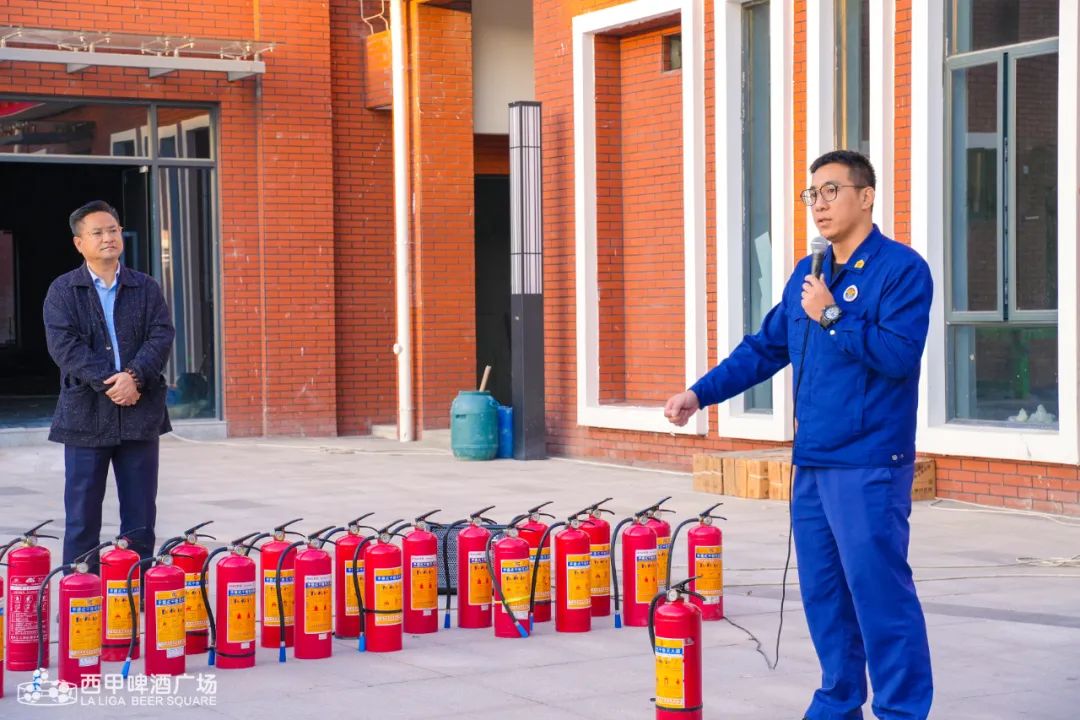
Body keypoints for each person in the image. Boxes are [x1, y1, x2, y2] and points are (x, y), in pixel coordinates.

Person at [664, 150, 934, 720]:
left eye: (832, 190)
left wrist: (832, 316)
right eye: (812, 194)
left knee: (880, 595)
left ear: (866, 196)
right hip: (813, 463)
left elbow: (898, 356)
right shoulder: (808, 276)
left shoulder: (901, 270)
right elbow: (764, 349)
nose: (819, 204)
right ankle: (838, 702)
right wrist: (699, 394)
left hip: (868, 463)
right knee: (825, 596)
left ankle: (902, 711)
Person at [44, 200, 175, 568]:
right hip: (85, 416)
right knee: (82, 516)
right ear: (79, 243)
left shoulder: (145, 287)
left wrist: (133, 377)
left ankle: (134, 590)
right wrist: (112, 383)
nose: (108, 238)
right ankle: (81, 592)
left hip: (139, 413)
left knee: (140, 517)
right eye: (98, 232)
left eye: (113, 230)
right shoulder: (63, 290)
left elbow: (161, 335)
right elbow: (64, 346)